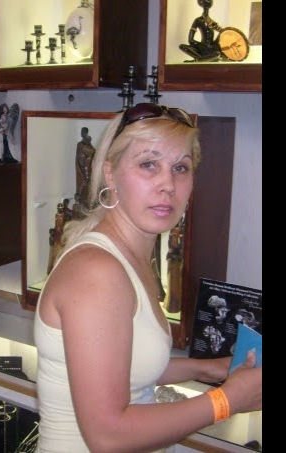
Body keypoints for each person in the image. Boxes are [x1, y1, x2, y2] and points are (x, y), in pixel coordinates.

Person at [33, 102, 262, 452]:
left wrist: (206, 370)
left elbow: (127, 366)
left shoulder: (128, 255)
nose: (167, 184)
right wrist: (226, 400)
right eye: (148, 164)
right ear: (110, 174)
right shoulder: (98, 272)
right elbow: (107, 436)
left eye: (180, 167)